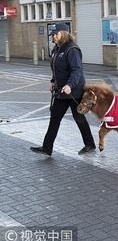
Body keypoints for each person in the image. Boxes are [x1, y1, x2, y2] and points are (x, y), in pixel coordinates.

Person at [30, 23, 96, 156]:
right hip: (61, 92)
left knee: (79, 118)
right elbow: (56, 69)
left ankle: (90, 144)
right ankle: (47, 148)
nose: (53, 37)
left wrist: (70, 85)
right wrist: (53, 82)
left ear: (64, 33)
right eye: (52, 34)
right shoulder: (57, 49)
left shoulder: (72, 49)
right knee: (54, 118)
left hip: (74, 91)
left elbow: (77, 70)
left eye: (56, 34)